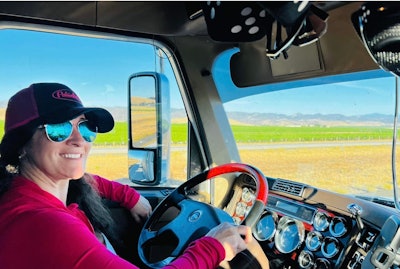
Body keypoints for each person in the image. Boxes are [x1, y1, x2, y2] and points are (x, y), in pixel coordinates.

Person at [0, 82, 258, 269]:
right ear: (21, 145)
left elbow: (89, 180)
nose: (79, 140)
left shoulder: (32, 195)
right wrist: (213, 247)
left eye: (86, 127)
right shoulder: (42, 224)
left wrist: (128, 196)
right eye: (58, 129)